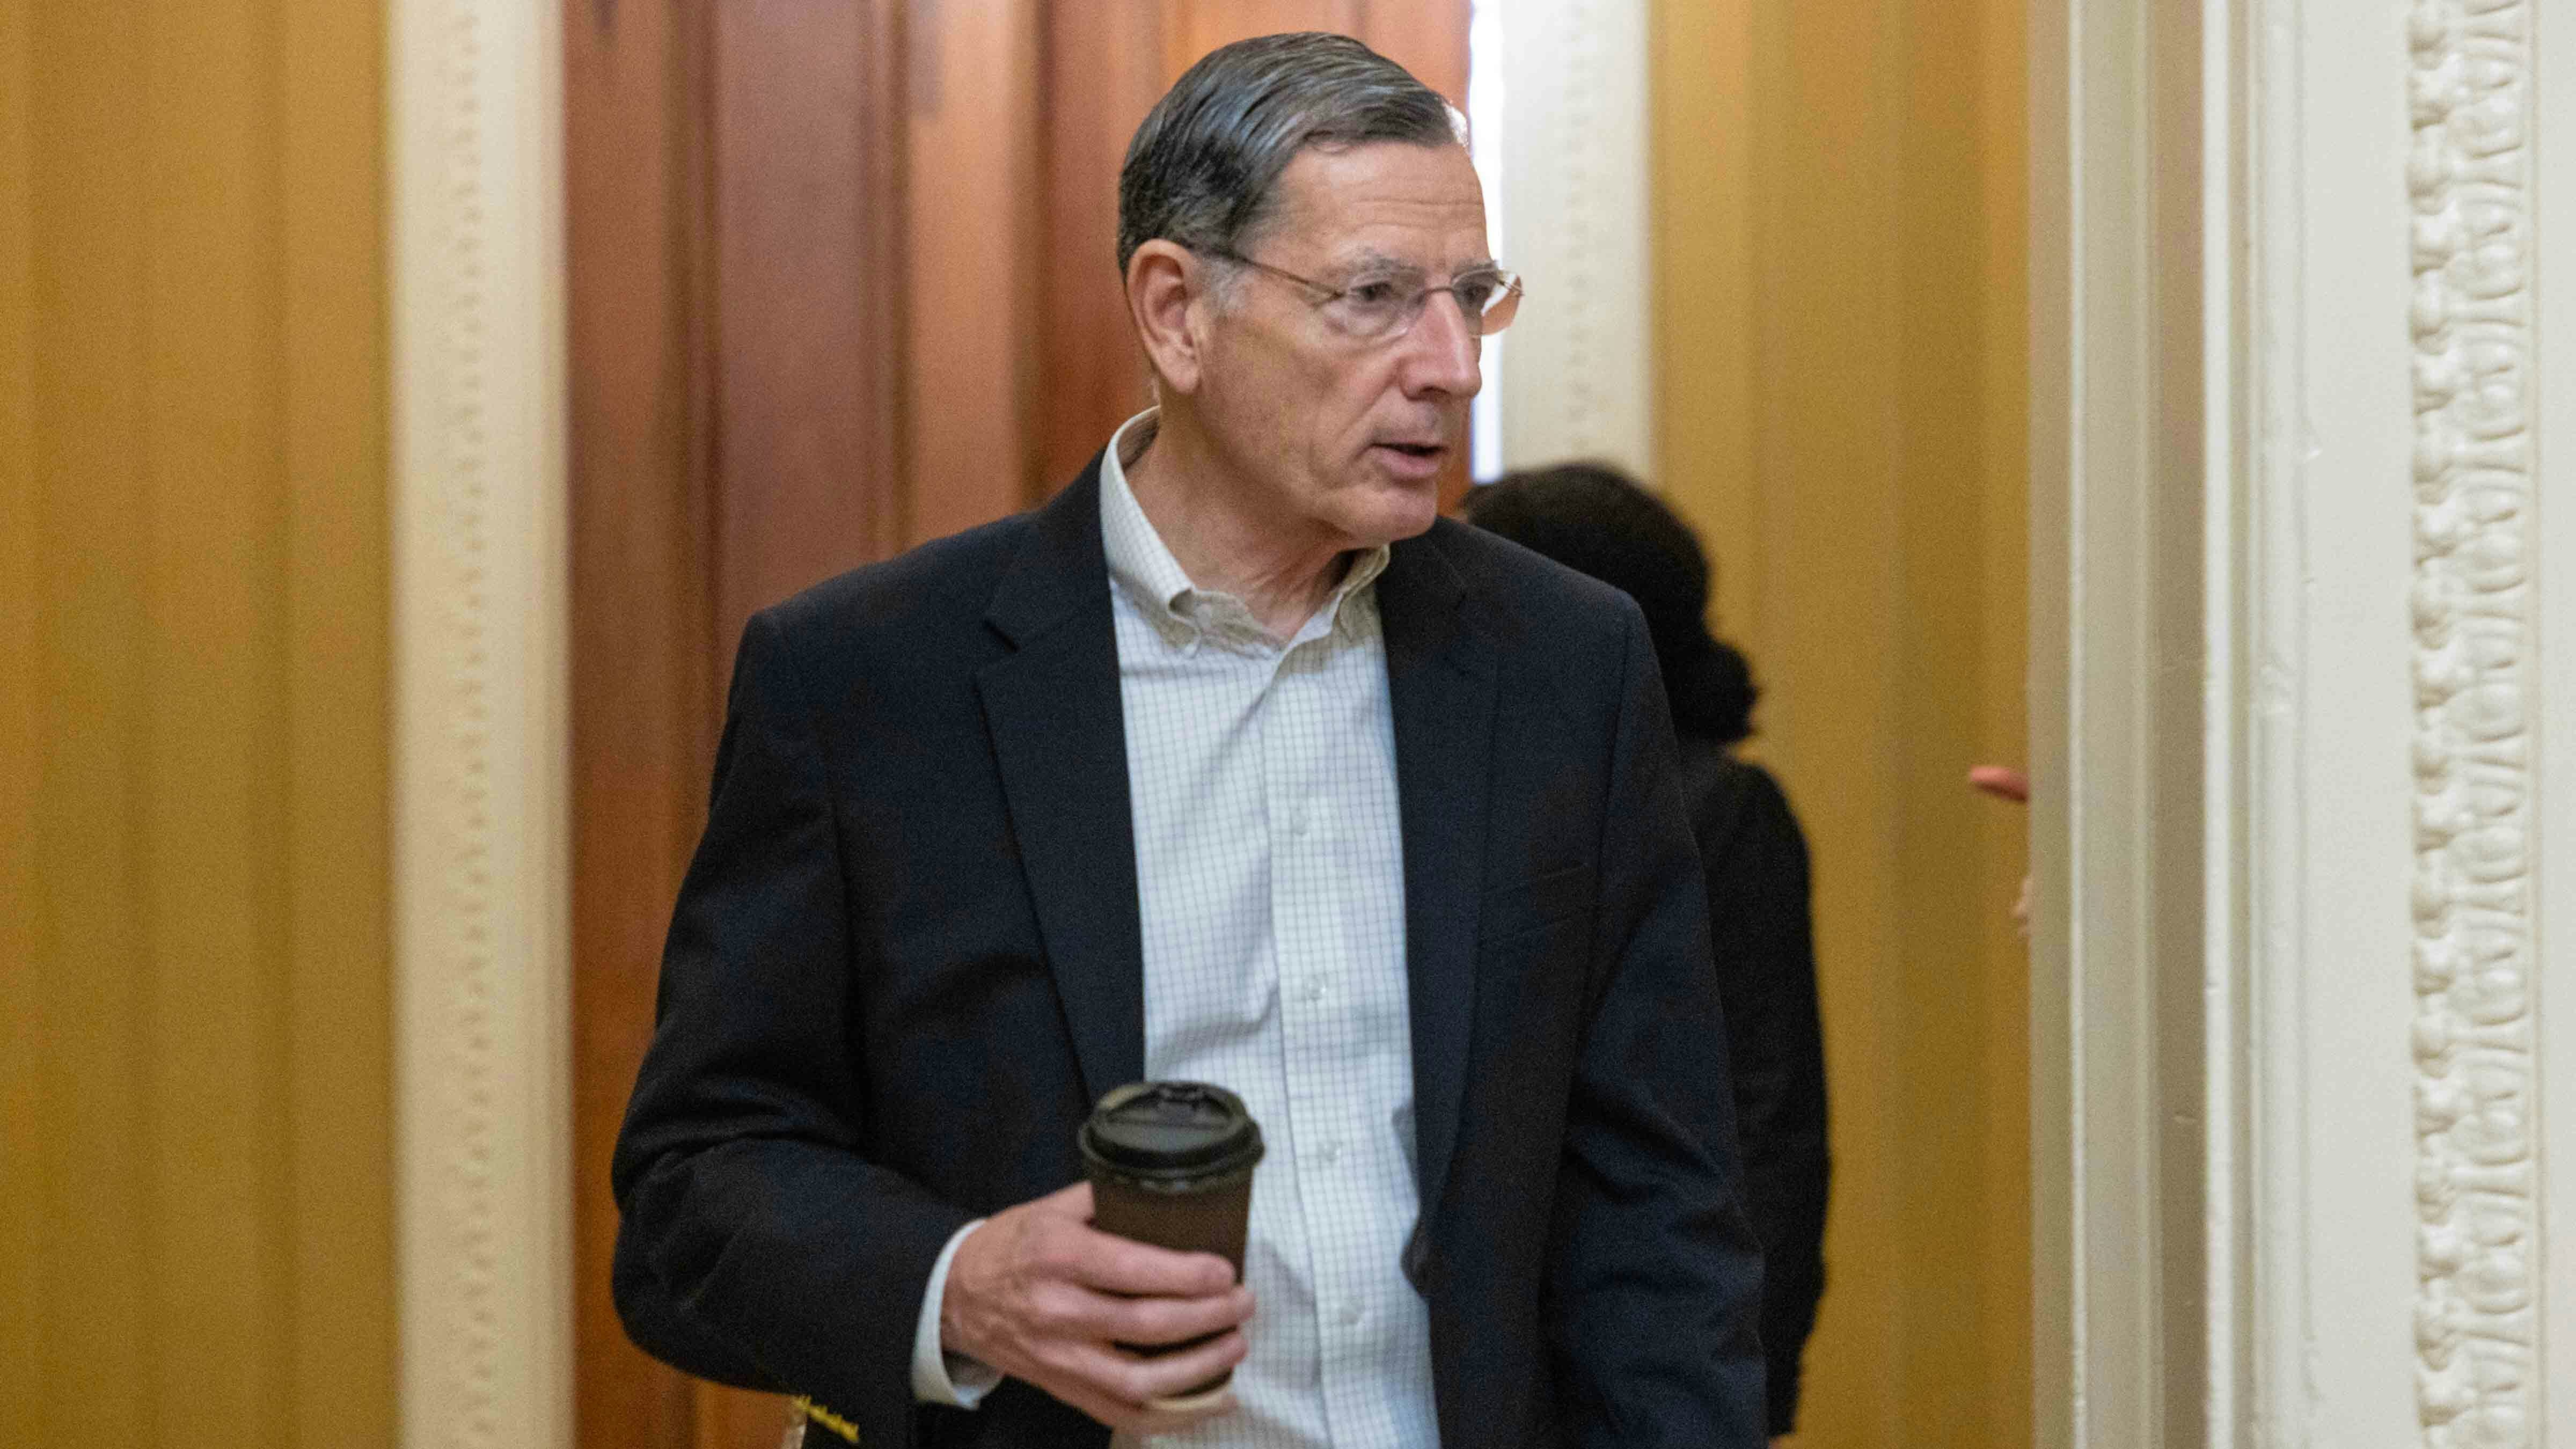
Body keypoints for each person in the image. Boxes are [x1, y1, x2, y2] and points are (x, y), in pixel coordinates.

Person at [611, 32, 1766, 1449]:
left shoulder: (1567, 667)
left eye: (1472, 297)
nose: (1452, 364)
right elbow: (693, 1190)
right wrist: (963, 1283)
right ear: (1177, 312)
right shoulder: (867, 685)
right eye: (1376, 298)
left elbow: (1662, 1212)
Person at [1465, 466, 1830, 1442]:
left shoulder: (1722, 812)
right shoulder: (1477, 792)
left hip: (1653, 1352)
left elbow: (1769, 1123)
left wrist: (1745, 1389)